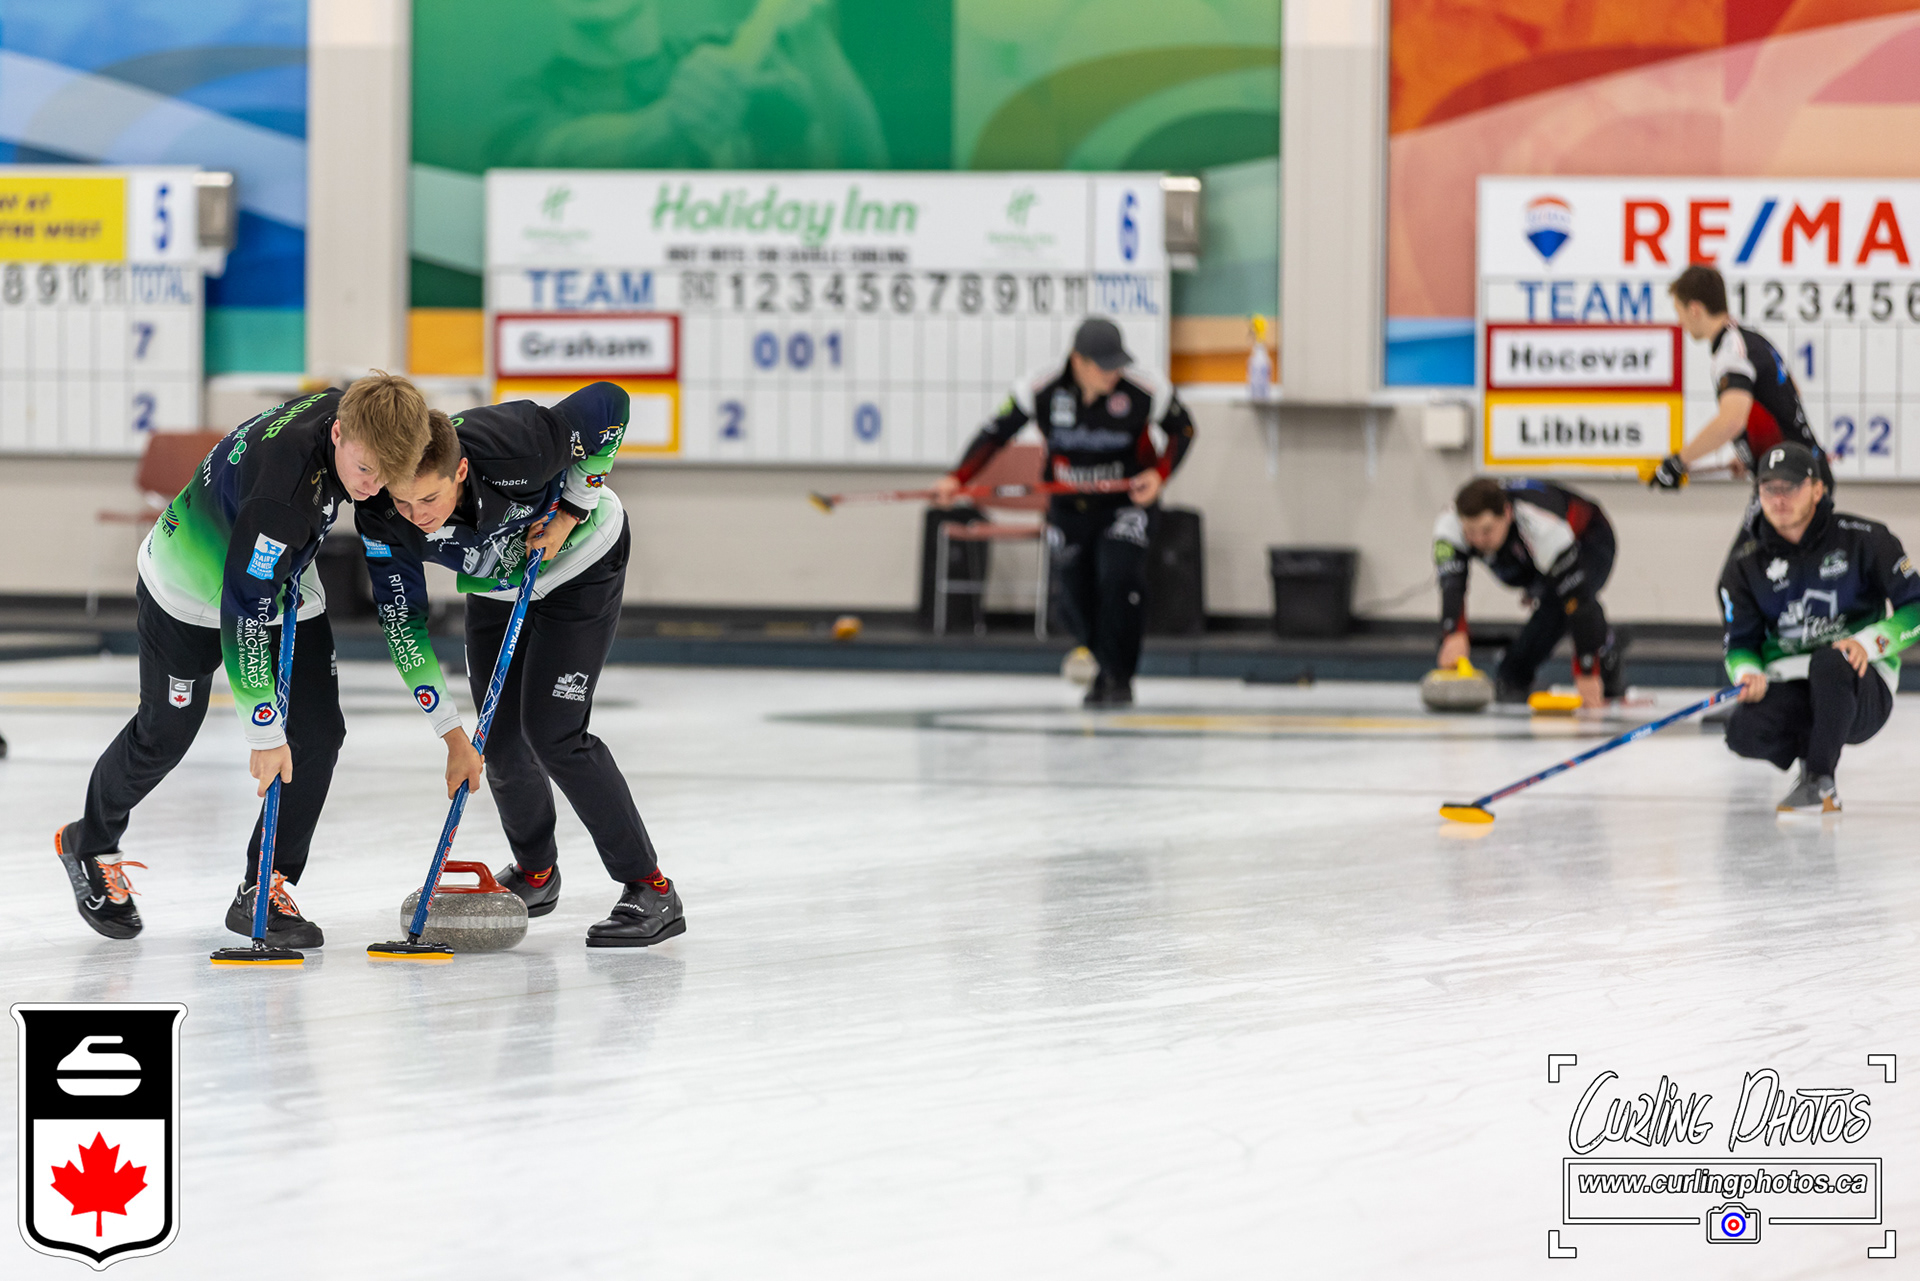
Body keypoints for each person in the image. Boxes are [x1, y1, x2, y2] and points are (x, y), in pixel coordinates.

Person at [56, 374, 435, 944]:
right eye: (365, 471)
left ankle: (265, 882)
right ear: (337, 434)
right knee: (164, 735)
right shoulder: (282, 497)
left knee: (318, 734)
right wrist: (263, 732)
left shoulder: (368, 415)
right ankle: (89, 841)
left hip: (282, 575)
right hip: (189, 590)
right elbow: (244, 612)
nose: (373, 487)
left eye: (387, 475)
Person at [356, 383, 683, 947]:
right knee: (499, 742)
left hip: (582, 565)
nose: (417, 518)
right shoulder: (383, 515)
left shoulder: (515, 443)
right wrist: (449, 732)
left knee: (554, 734)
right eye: (403, 503)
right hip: (498, 586)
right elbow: (403, 625)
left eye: (428, 500)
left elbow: (609, 404)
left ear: (460, 472)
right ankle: (536, 873)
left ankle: (651, 888)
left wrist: (571, 511)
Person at [933, 316, 1196, 708]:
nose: (1113, 374)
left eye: (1117, 365)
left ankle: (1118, 677)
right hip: (1068, 508)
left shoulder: (1145, 389)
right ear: (1078, 361)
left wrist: (1159, 475)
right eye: (1103, 367)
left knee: (1118, 577)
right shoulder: (1039, 389)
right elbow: (994, 433)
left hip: (1125, 506)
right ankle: (1103, 666)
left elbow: (1183, 430)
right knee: (1073, 595)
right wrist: (957, 478)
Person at [1719, 442, 1919, 814]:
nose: (1779, 499)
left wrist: (1869, 643)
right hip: (1793, 682)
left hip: (1861, 683)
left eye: (1790, 487)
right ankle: (1812, 753)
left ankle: (1819, 779)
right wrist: (1747, 672)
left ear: (1817, 489)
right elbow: (1740, 643)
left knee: (1829, 661)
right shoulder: (1744, 566)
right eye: (1769, 488)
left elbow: (1916, 608)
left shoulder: (1866, 538)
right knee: (1742, 730)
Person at [495, 0, 887, 170]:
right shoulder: (517, 106)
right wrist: (671, 120)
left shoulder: (730, 50)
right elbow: (559, 159)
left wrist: (808, 29)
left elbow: (863, 168)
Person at [1651, 264, 1829, 536]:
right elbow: (1788, 394)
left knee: (1744, 564)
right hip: (1801, 476)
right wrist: (1751, 451)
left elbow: (1731, 421)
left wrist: (1678, 462)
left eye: (1679, 311)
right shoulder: (1750, 340)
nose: (1680, 322)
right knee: (1757, 562)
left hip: (1791, 484)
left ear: (1695, 309)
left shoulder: (1732, 352)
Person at [1434, 477, 1628, 709]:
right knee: (1547, 604)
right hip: (1533, 554)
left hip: (1590, 538)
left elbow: (1579, 602)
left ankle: (1607, 651)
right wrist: (1454, 633)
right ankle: (1521, 672)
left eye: (1486, 530)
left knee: (1560, 607)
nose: (1478, 541)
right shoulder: (1449, 526)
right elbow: (1451, 586)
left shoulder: (1541, 526)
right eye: (1470, 532)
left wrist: (1586, 672)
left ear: (1507, 513)